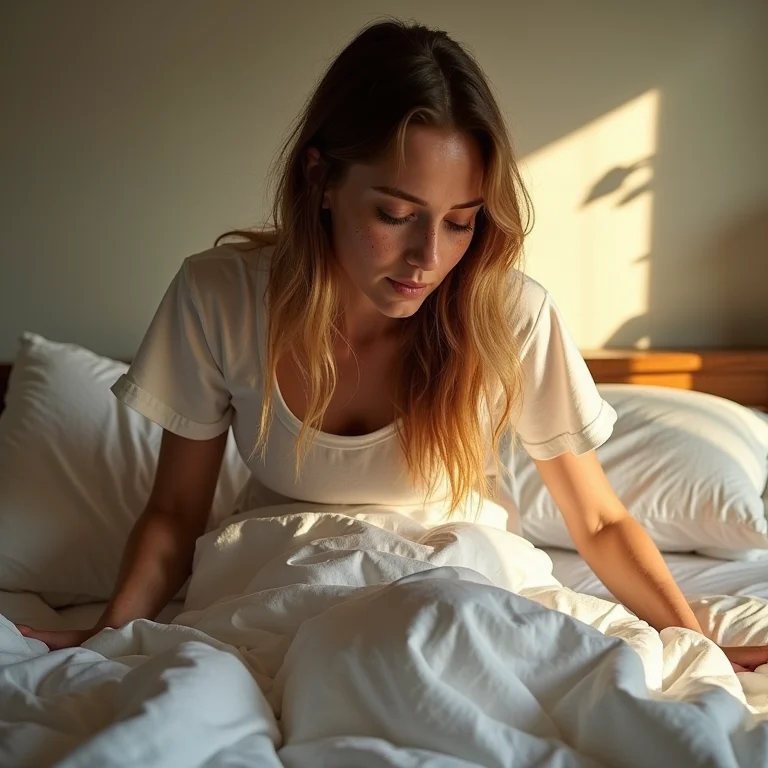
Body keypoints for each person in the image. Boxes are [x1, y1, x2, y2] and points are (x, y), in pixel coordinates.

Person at [16, 19, 767, 672]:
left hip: (455, 578)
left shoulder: (509, 316)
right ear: (321, 179)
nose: (428, 258)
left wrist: (693, 638)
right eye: (396, 214)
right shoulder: (221, 297)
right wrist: (109, 634)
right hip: (280, 576)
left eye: (460, 221)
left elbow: (598, 521)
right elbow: (176, 511)